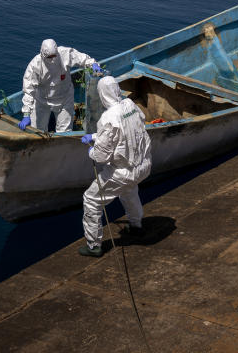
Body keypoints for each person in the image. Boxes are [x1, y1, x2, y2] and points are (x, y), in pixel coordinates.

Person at [78, 75, 152, 257]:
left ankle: (93, 245)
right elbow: (125, 131)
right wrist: (95, 136)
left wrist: (91, 151)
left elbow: (101, 156)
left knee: (91, 199)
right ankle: (136, 226)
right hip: (142, 166)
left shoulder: (108, 117)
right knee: (129, 190)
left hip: (123, 172)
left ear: (102, 94)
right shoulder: (130, 106)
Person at [19, 39, 101, 133]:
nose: (52, 59)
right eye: (49, 57)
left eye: (54, 56)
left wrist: (93, 64)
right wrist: (26, 113)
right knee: (37, 130)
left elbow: (83, 59)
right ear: (42, 54)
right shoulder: (35, 65)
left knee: (65, 131)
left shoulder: (65, 54)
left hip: (64, 99)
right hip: (42, 101)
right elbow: (29, 90)